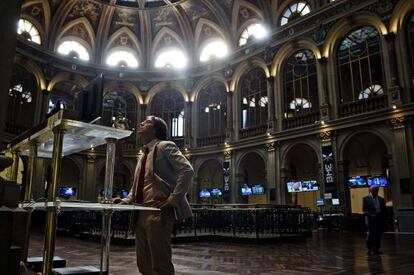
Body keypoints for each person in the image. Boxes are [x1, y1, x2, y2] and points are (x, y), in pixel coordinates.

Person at [114, 115, 194, 275]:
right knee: (143, 263)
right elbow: (138, 184)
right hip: (139, 212)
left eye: (147, 122)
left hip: (157, 212)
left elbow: (187, 170)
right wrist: (126, 200)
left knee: (160, 263)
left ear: (156, 129)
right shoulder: (142, 154)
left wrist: (172, 200)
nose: (141, 123)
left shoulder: (165, 146)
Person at [362, 185, 387, 255]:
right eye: (374, 191)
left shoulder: (381, 199)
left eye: (377, 190)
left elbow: (384, 210)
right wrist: (371, 215)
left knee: (379, 234)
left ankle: (376, 248)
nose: (376, 192)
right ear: (371, 190)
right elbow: (364, 210)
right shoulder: (365, 199)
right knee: (371, 234)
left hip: (379, 219)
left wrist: (384, 218)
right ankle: (370, 248)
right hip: (370, 219)